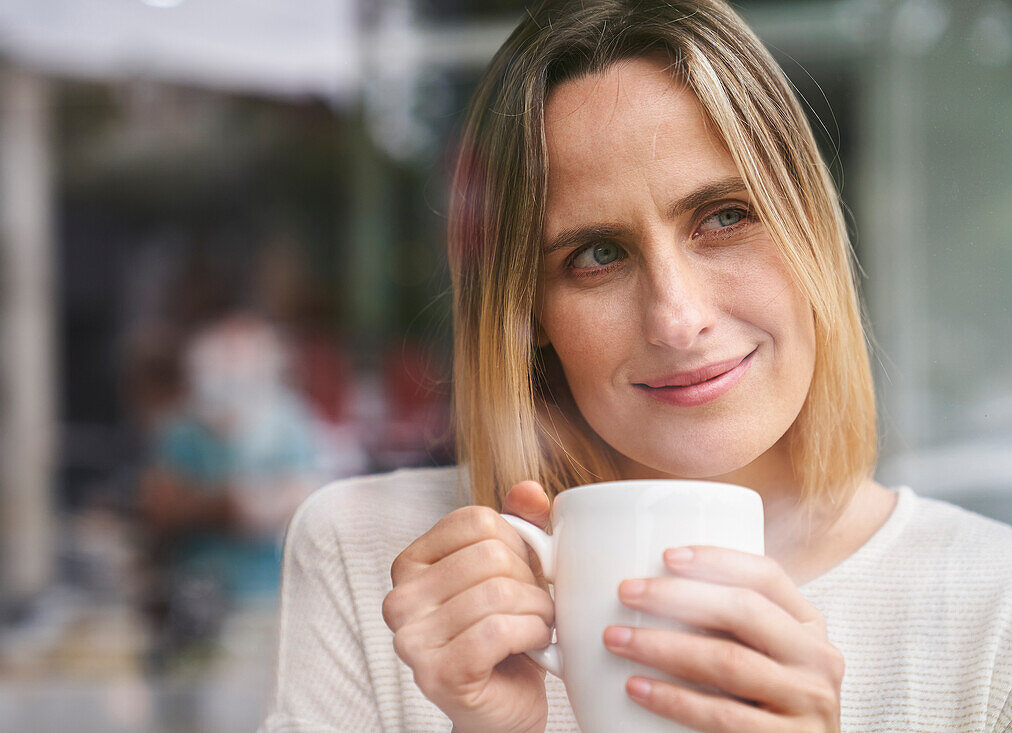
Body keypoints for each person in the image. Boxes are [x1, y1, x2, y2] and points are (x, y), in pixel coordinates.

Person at [260, 1, 1012, 731]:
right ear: (531, 316)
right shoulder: (370, 559)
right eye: (598, 254)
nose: (678, 320)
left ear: (809, 229)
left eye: (724, 216)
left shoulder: (989, 610)